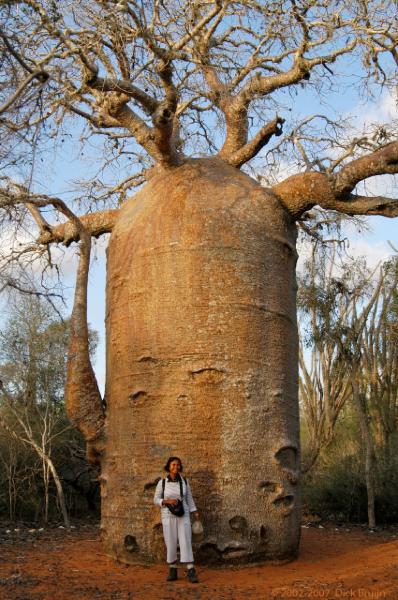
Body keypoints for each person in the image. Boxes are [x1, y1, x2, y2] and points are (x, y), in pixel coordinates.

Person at [154, 456, 200, 583]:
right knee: (171, 542)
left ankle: (191, 570)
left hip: (183, 514)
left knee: (186, 540)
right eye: (173, 465)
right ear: (168, 466)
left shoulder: (184, 482)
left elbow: (189, 498)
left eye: (178, 465)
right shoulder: (162, 483)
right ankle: (172, 569)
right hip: (168, 516)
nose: (176, 467)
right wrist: (166, 501)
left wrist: (194, 511)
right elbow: (156, 499)